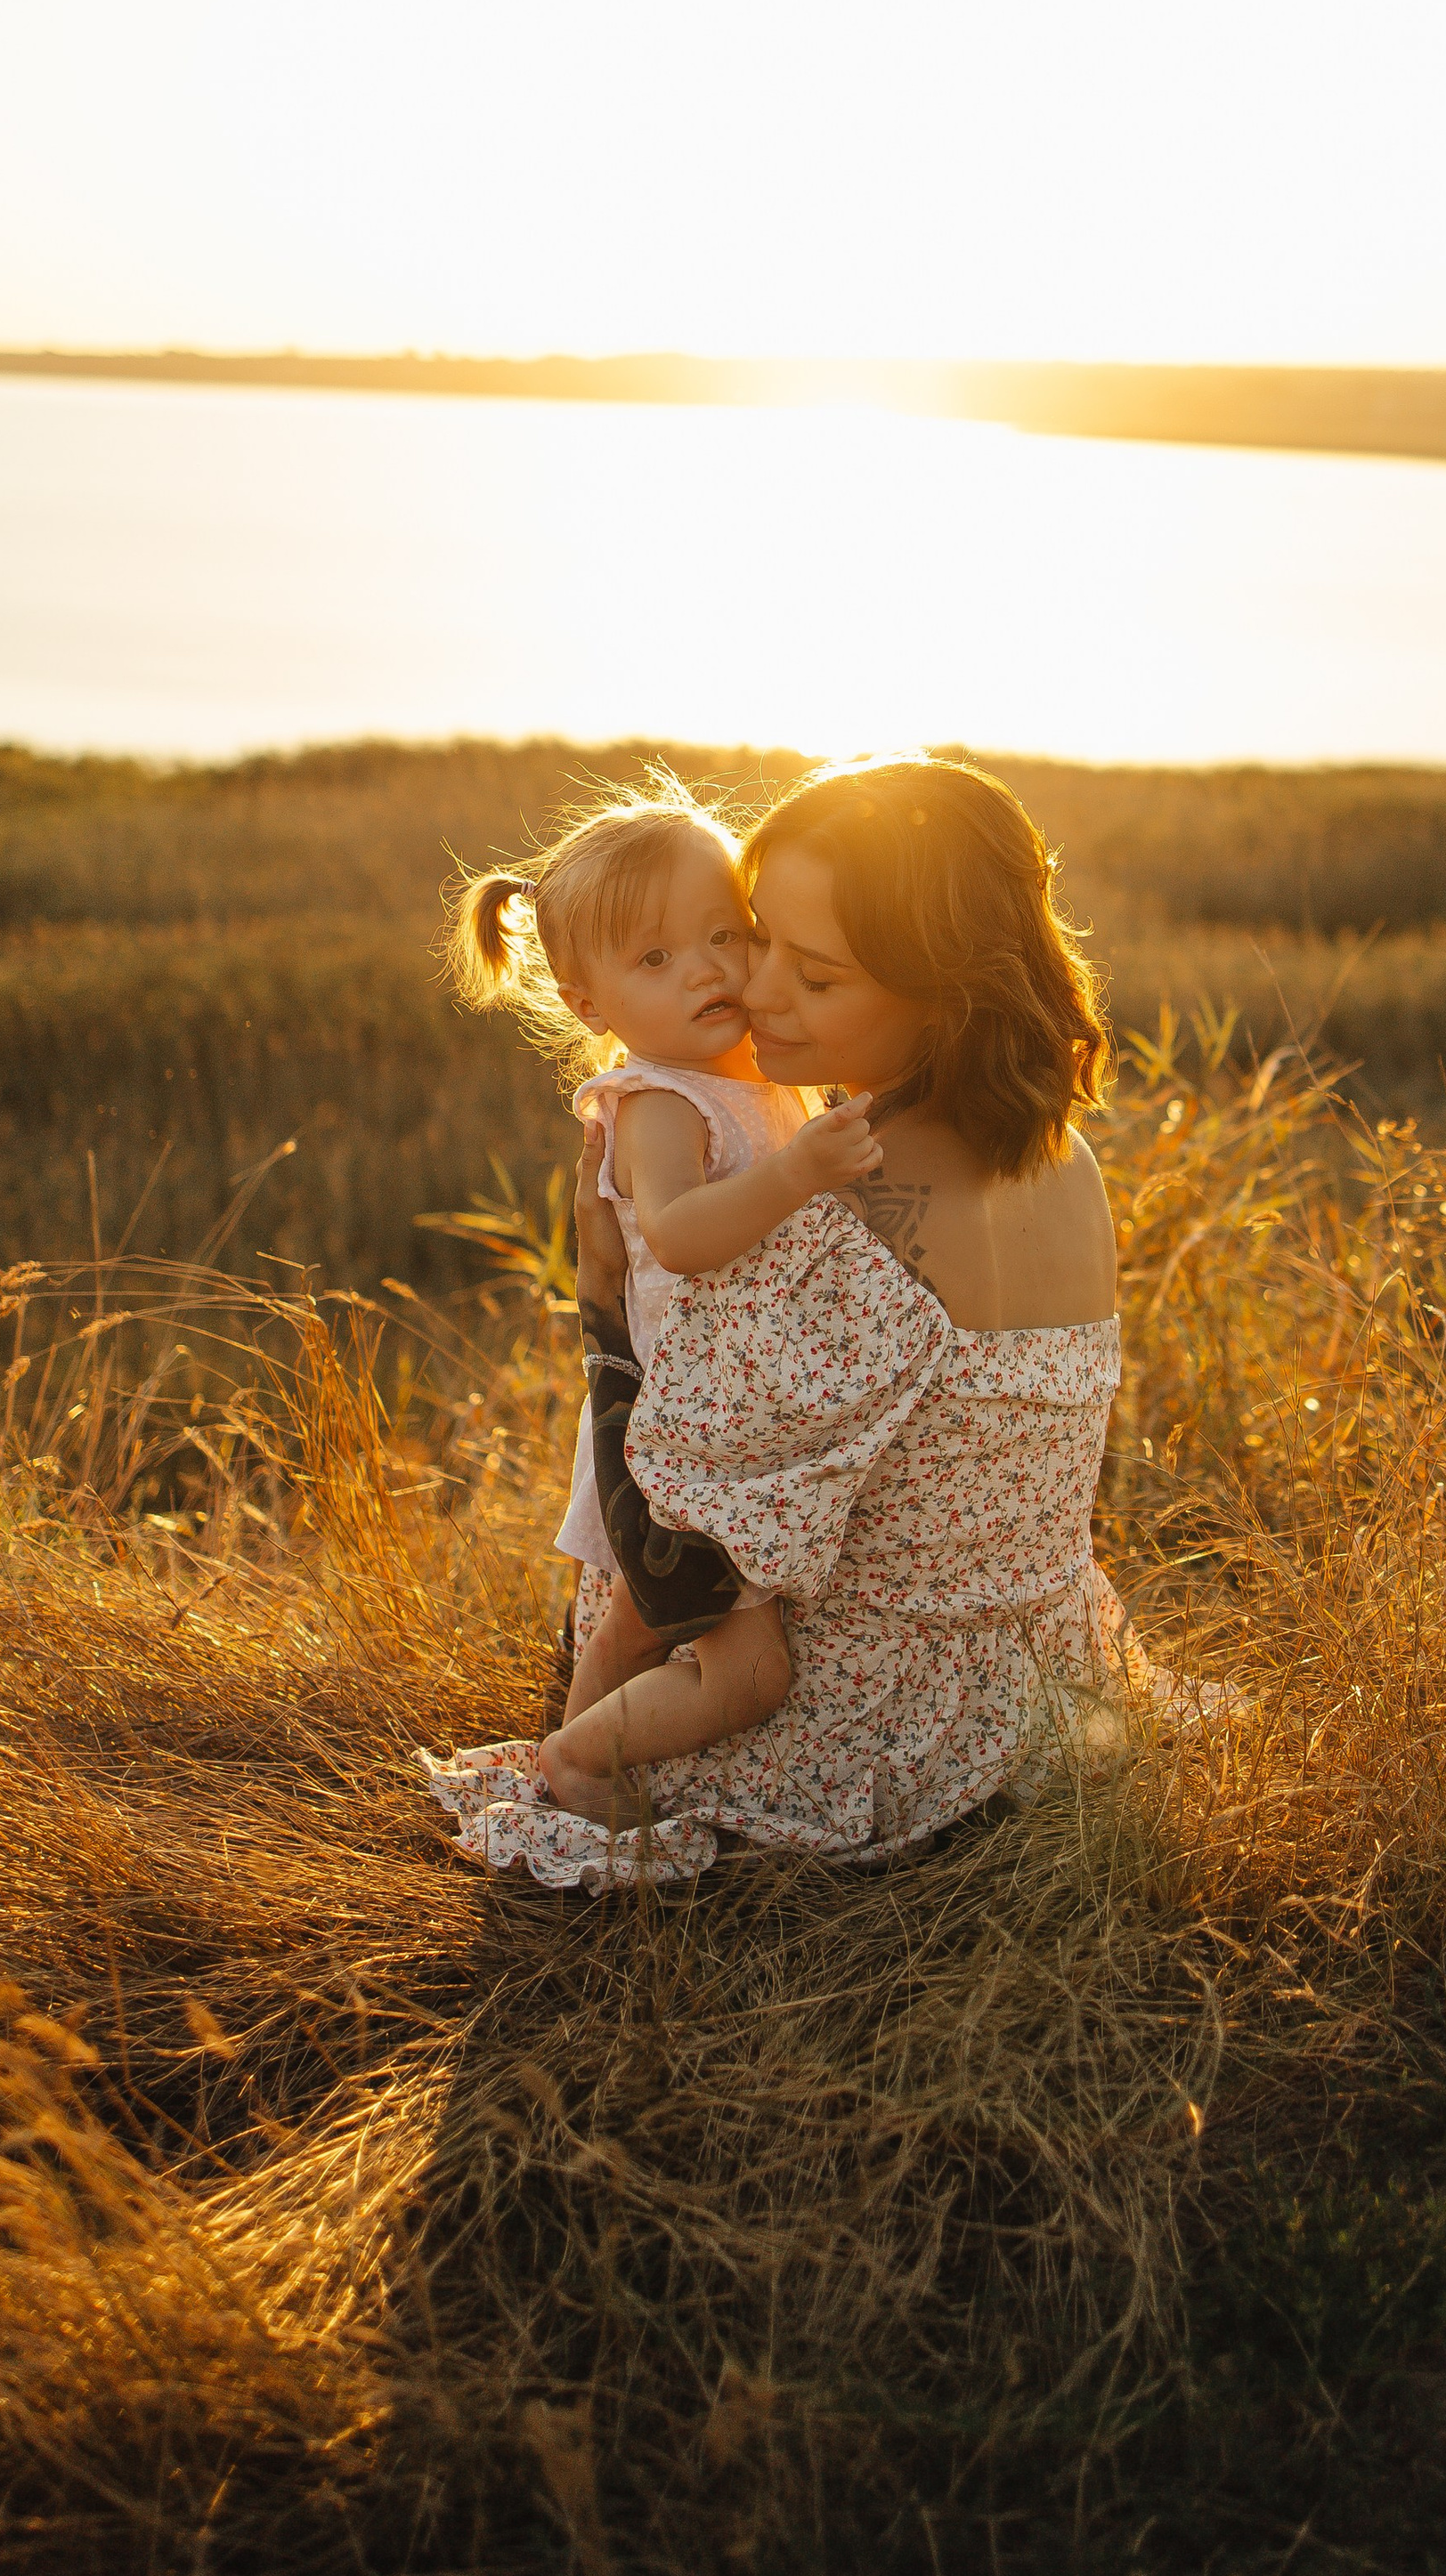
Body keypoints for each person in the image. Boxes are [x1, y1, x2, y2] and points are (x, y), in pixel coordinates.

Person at [423, 750, 1132, 1890]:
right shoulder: (1066, 1157)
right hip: (1034, 1694)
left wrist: (603, 1305)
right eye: (759, 938)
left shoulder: (835, 1209)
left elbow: (681, 1534)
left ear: (941, 986)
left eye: (814, 975)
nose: (752, 994)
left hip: (857, 1721)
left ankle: (574, 1759)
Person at [443, 774, 886, 1803]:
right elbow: (682, 1237)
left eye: (725, 934)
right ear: (586, 1001)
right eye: (656, 958)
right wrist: (797, 1172)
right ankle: (581, 1760)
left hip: (738, 1412)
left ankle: (568, 1744)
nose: (708, 970)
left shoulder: (756, 1073)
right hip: (695, 1426)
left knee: (641, 1616)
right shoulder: (657, 1100)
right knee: (750, 1671)